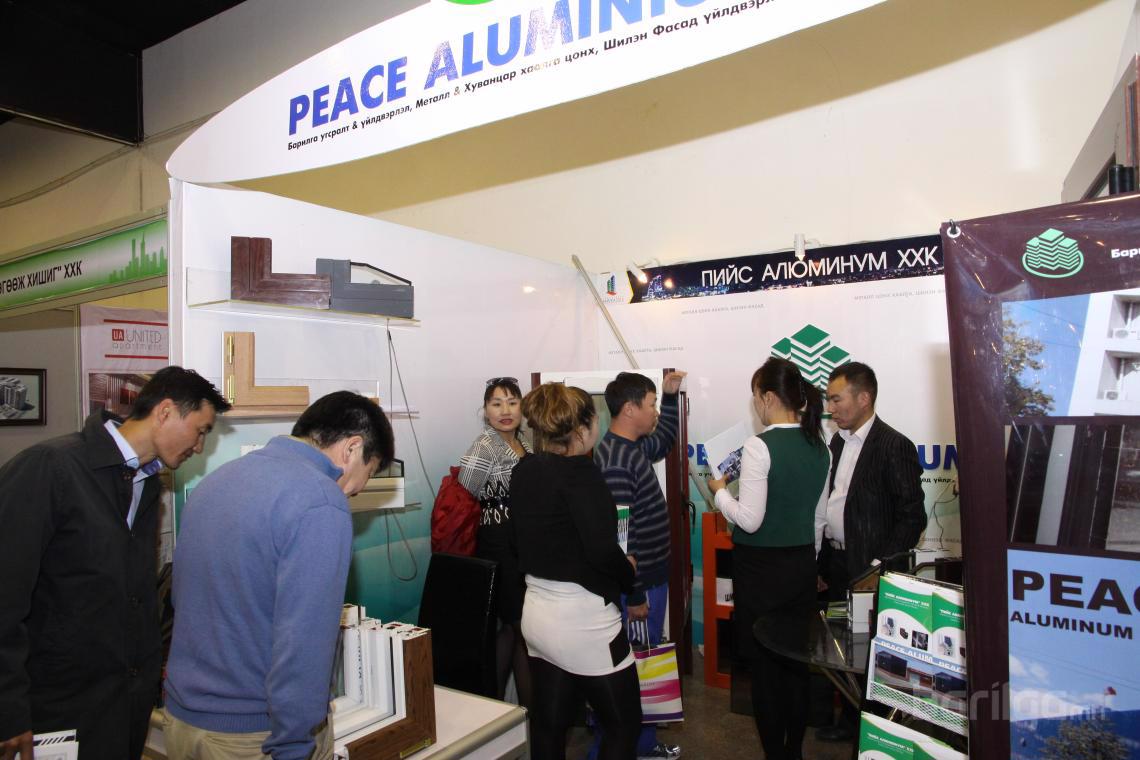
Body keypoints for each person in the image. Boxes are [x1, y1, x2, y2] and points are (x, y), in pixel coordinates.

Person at [0, 366, 230, 760]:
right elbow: (5, 595)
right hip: (53, 710)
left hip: (120, 709)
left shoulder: (146, 484)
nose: (199, 446)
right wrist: (8, 709)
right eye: (201, 430)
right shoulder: (50, 467)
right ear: (165, 411)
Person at [163, 391, 394, 760]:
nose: (358, 490)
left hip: (182, 722)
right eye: (368, 473)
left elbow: (185, 600)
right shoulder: (320, 501)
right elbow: (304, 641)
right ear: (352, 448)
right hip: (254, 735)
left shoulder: (217, 480)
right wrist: (293, 744)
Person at [707, 358, 830, 760]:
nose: (756, 404)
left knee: (765, 671)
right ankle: (793, 751)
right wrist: (810, 564)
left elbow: (750, 519)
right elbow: (818, 518)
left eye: (756, 395)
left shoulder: (759, 446)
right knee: (795, 666)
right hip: (800, 567)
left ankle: (776, 754)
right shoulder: (819, 446)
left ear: (770, 397)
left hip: (761, 573)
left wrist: (719, 491)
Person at [510, 383, 641, 760]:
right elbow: (602, 550)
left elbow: (521, 540)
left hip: (537, 614)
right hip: (585, 621)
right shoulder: (583, 475)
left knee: (549, 724)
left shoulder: (525, 470)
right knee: (624, 725)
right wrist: (628, 571)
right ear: (582, 428)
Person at [816, 361, 926, 742]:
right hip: (836, 562)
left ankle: (872, 729)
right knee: (839, 645)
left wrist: (881, 567)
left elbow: (912, 516)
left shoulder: (894, 446)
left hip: (871, 569)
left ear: (864, 398)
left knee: (869, 652)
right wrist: (822, 562)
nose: (831, 408)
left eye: (837, 399)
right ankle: (848, 718)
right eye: (828, 400)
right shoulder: (836, 443)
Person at [592, 371, 685, 760]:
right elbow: (619, 540)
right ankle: (610, 750)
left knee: (642, 669)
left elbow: (664, 440)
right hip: (638, 586)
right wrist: (633, 595)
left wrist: (669, 398)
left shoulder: (631, 447)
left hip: (647, 581)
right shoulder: (616, 461)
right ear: (629, 409)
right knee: (627, 675)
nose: (654, 412)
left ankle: (641, 746)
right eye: (650, 405)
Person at [458, 376, 533, 705]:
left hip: (523, 544)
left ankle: (503, 710)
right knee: (519, 628)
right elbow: (464, 497)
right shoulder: (484, 446)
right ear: (485, 410)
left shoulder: (525, 443)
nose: (505, 411)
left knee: (513, 632)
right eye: (497, 403)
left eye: (512, 403)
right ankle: (528, 715)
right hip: (498, 546)